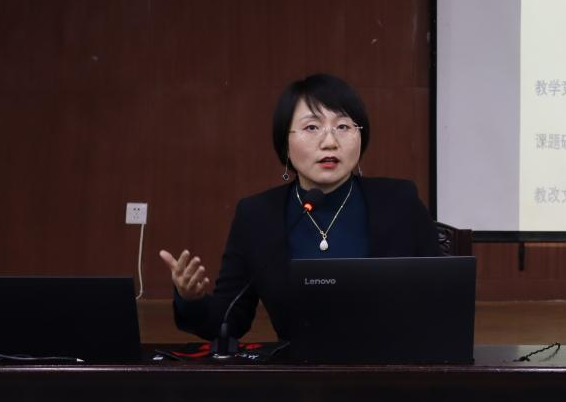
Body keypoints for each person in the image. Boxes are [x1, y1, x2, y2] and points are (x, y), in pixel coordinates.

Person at [158, 73, 440, 342]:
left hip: (389, 367)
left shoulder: (399, 201)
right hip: (299, 371)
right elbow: (230, 320)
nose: (329, 142)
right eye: (312, 127)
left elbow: (440, 295)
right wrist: (191, 300)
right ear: (285, 142)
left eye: (343, 127)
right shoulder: (257, 216)